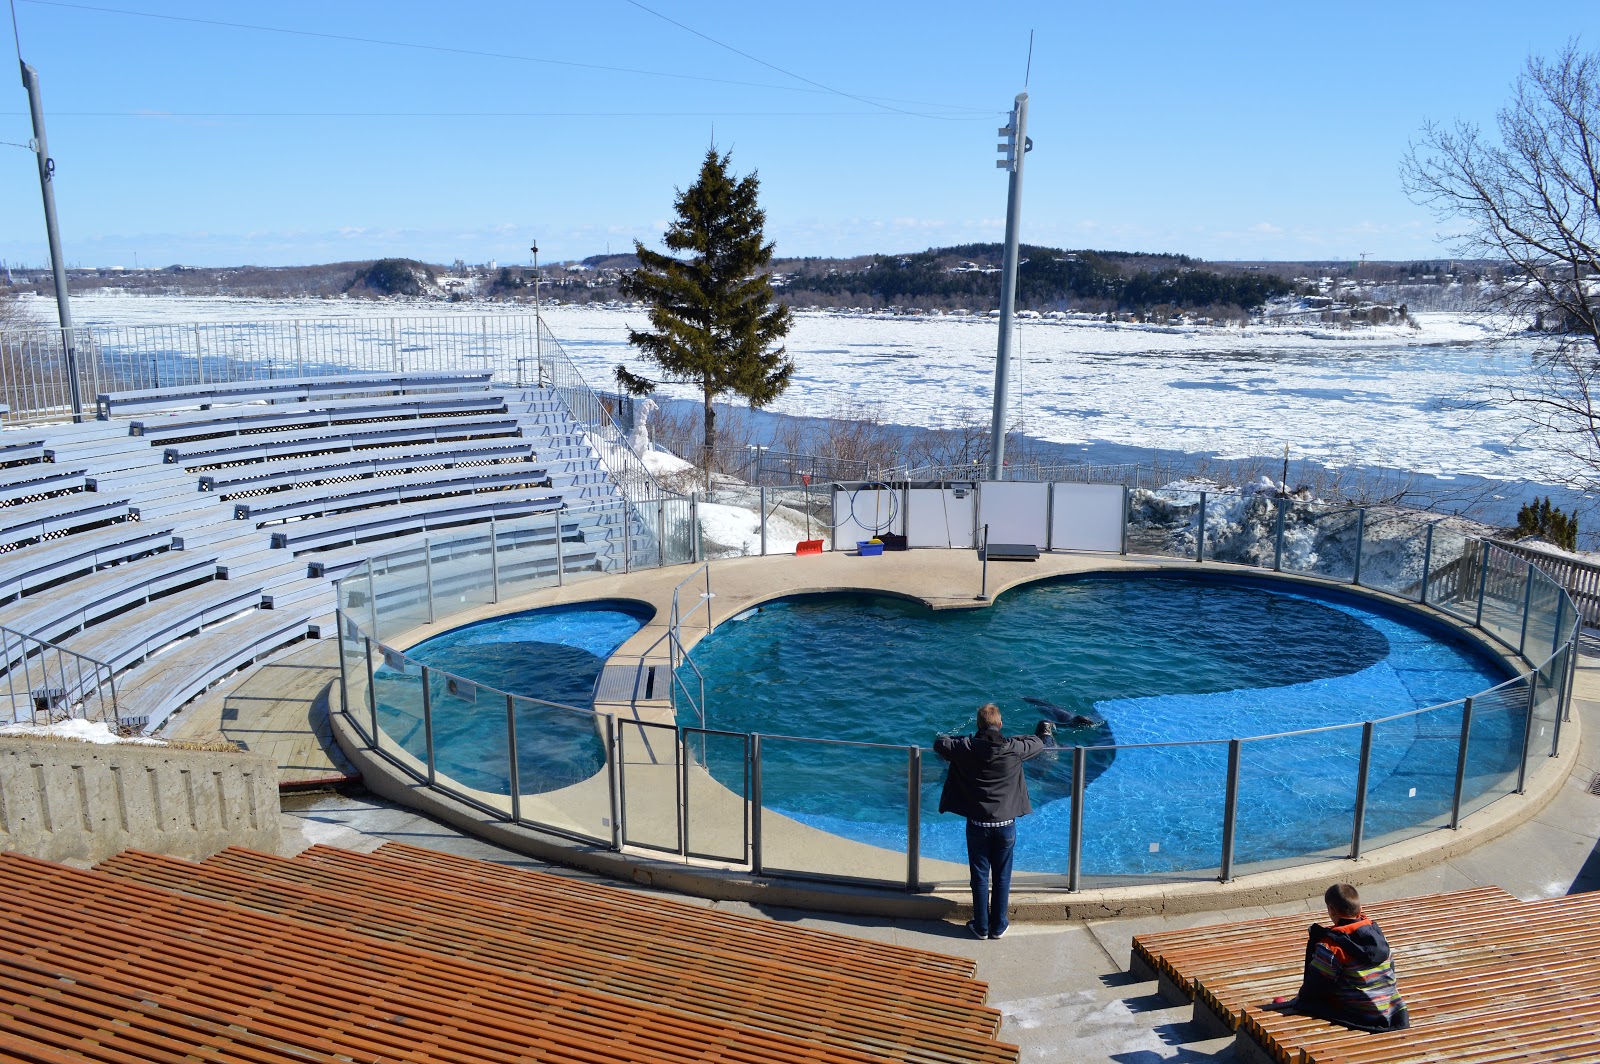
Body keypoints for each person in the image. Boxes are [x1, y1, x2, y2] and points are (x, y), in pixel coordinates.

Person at [934, 703, 1054, 940]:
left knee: (979, 877)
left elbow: (941, 742)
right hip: (1005, 825)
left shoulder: (966, 747)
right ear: (1000, 725)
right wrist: (1010, 737)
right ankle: (998, 926)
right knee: (1002, 877)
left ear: (978, 725)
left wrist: (966, 739)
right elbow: (1038, 742)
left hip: (977, 825)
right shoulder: (1012, 748)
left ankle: (981, 927)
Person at [1276, 883, 1410, 1032]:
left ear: (1331, 910)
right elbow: (1391, 967)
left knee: (1308, 1001)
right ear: (1359, 909)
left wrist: (1301, 1000)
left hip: (1364, 1013)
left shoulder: (1332, 946)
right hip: (1390, 1008)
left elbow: (1316, 985)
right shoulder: (1376, 933)